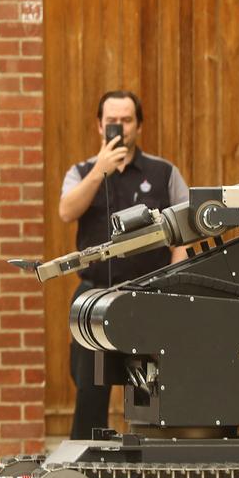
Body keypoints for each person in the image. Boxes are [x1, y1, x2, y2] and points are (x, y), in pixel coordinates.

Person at [58, 90, 189, 439]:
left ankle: (151, 457)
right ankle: (86, 460)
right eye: (112, 121)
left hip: (149, 296)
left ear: (139, 125)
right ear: (99, 125)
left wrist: (172, 284)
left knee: (149, 386)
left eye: (127, 120)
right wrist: (99, 172)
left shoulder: (163, 173)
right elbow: (66, 211)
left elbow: (186, 235)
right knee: (90, 386)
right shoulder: (82, 171)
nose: (119, 127)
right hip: (94, 297)